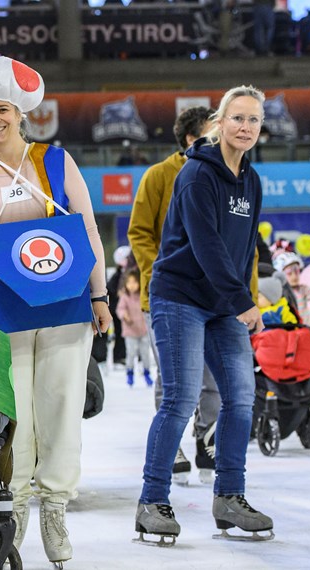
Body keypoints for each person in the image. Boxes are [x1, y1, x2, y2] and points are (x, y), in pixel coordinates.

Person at [0, 57, 111, 567]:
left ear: (20, 113)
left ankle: (56, 506)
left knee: (63, 403)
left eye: (3, 109)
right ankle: (14, 507)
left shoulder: (58, 162)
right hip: (4, 309)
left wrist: (101, 294)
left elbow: (86, 230)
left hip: (66, 306)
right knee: (13, 414)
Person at [135, 85, 273, 545]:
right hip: (180, 298)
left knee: (240, 396)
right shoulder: (196, 175)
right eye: (237, 118)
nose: (246, 127)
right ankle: (152, 501)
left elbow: (245, 248)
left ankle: (229, 496)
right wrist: (244, 302)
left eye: (254, 120)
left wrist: (244, 298)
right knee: (180, 397)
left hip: (223, 304)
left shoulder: (251, 181)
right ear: (219, 121)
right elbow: (207, 245)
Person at [127, 105, 222, 484]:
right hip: (167, 295)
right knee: (172, 379)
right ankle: (174, 446)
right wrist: (161, 271)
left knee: (212, 378)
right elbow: (139, 232)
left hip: (213, 296)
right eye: (214, 130)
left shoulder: (226, 173)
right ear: (191, 138)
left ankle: (208, 439)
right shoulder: (159, 175)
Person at [116, 268, 152, 387]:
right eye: (129, 282)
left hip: (143, 330)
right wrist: (124, 315)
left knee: (145, 353)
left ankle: (147, 373)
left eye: (134, 282)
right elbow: (120, 309)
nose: (131, 285)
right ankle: (130, 373)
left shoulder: (143, 296)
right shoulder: (125, 297)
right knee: (130, 353)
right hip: (130, 331)